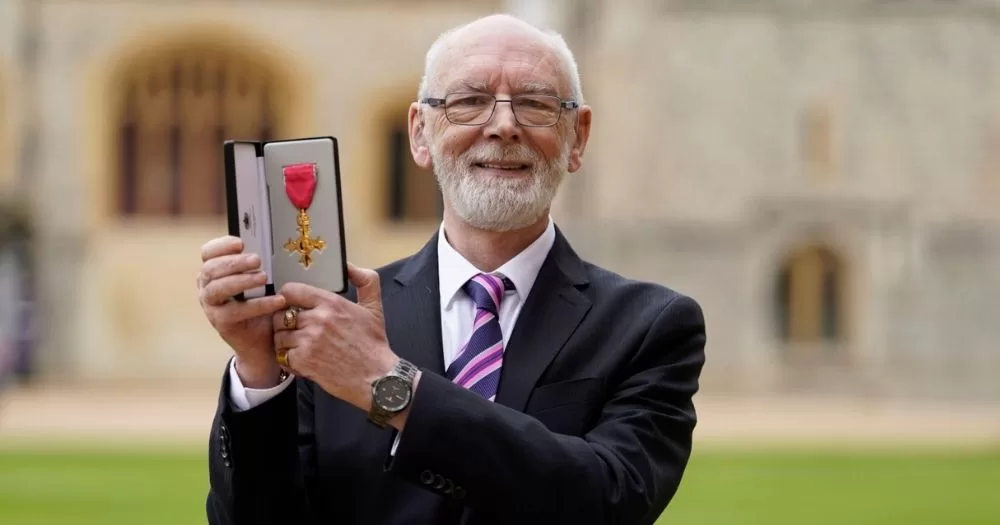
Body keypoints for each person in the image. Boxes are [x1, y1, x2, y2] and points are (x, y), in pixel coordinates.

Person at [197, 13, 706, 525]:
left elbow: (608, 501)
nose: (504, 125)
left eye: (534, 103)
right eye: (469, 102)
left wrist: (388, 385)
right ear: (420, 133)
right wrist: (260, 373)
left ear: (577, 136)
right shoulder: (333, 321)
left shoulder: (651, 325)